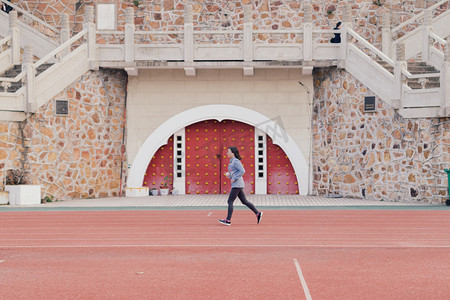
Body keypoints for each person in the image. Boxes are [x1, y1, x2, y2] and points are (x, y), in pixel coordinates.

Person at [218, 146, 263, 226]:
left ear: (233, 153)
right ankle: (257, 213)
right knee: (244, 201)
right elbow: (235, 172)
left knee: (230, 201)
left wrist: (234, 178)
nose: (227, 153)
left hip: (237, 184)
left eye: (229, 152)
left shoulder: (235, 161)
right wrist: (229, 175)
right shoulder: (232, 162)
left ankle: (228, 220)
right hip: (237, 184)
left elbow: (242, 170)